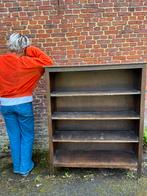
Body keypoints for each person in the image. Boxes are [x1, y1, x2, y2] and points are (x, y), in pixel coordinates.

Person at [0, 33, 53, 176]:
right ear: (24, 47)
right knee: (27, 134)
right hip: (23, 103)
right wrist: (30, 49)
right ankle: (24, 168)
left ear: (10, 45)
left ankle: (17, 166)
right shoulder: (27, 63)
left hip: (4, 104)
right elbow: (48, 62)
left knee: (14, 135)